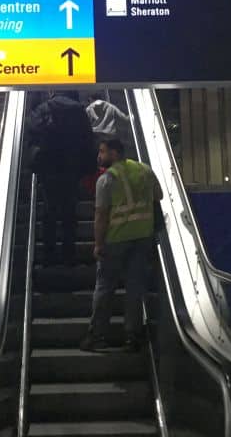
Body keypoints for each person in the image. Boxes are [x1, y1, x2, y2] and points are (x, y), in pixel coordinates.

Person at [80, 139, 163, 353]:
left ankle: (96, 337)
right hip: (143, 238)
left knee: (105, 288)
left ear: (114, 153)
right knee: (135, 289)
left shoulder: (106, 179)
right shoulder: (145, 169)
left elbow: (101, 215)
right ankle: (132, 337)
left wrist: (98, 244)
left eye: (103, 151)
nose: (99, 156)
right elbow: (159, 196)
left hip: (115, 241)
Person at [27, 91, 97, 267]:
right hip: (72, 168)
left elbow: (32, 128)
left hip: (49, 167)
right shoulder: (79, 110)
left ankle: (49, 256)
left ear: (53, 93)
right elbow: (88, 139)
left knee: (49, 212)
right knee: (69, 212)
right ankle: (68, 256)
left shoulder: (45, 108)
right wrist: (88, 166)